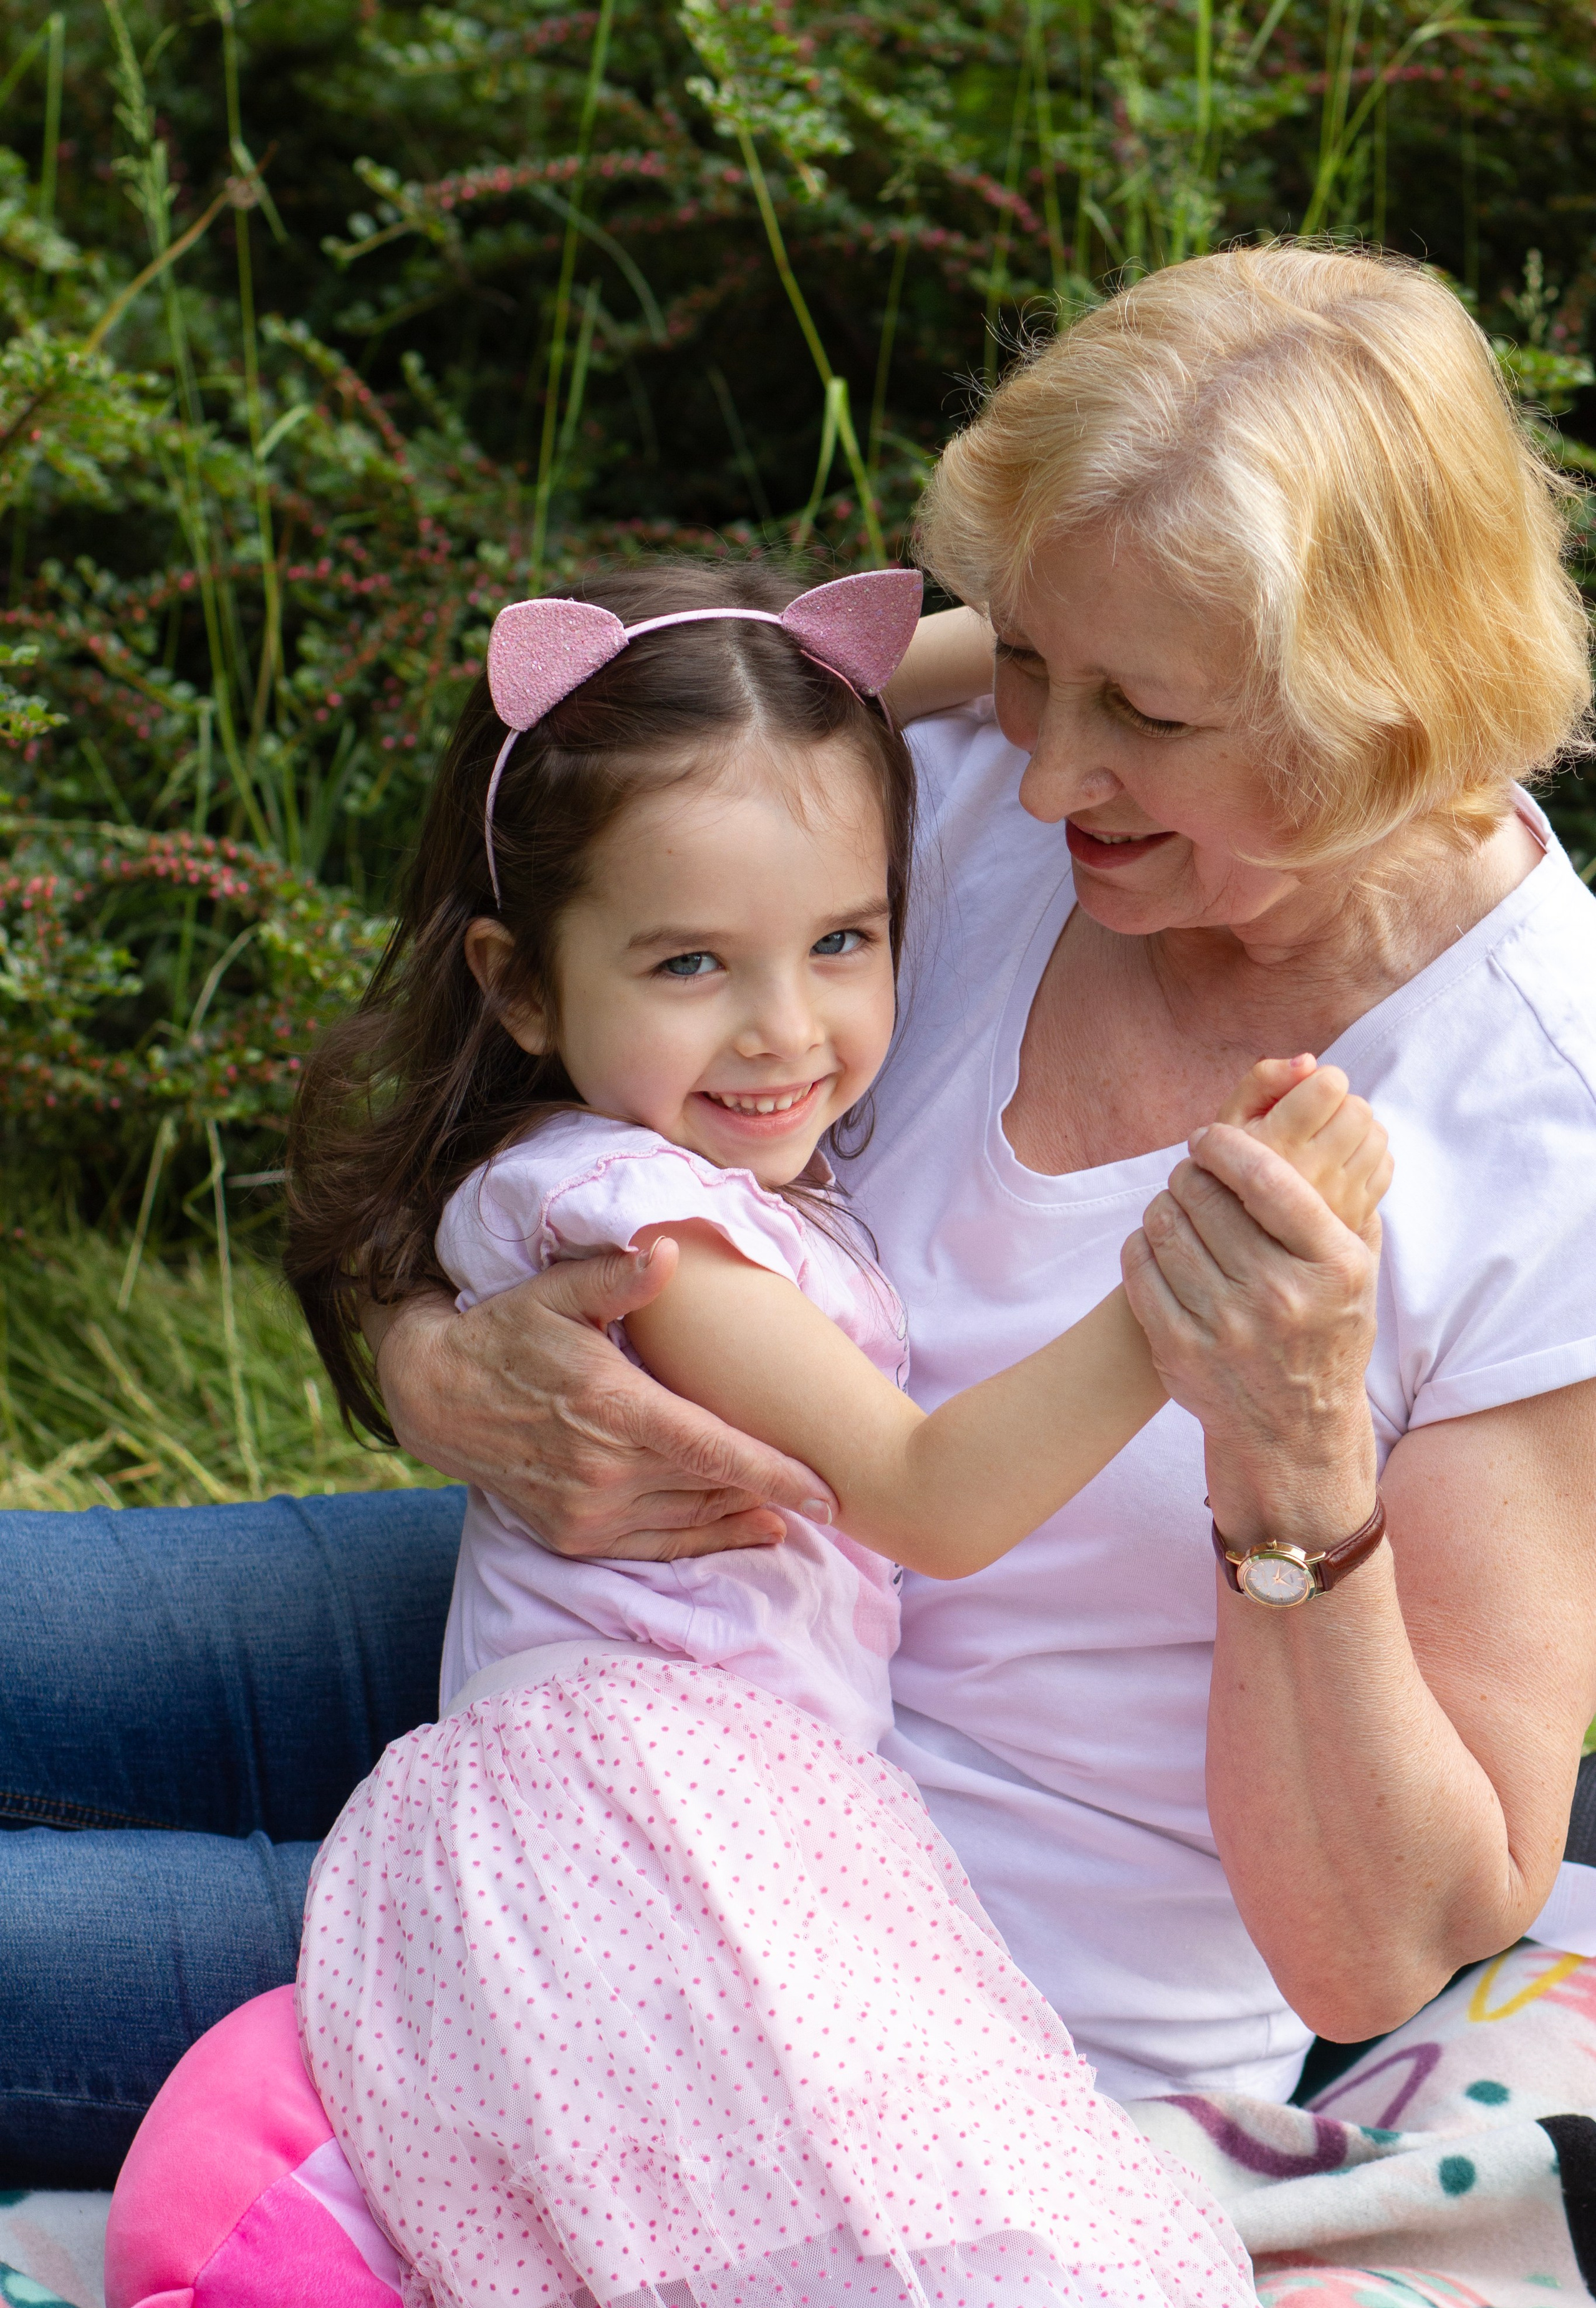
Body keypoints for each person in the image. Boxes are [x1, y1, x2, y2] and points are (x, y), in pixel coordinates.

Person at [1, 234, 1593, 2199]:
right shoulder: (963, 778)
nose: (1047, 771)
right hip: (572, 1645)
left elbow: (1396, 1942)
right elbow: (610, 769)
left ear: (1391, 707)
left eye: (1146, 715)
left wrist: (1286, 1466)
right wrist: (448, 1360)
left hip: (831, 1977)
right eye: (1021, 653)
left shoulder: (1545, 1124)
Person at [233, 556, 1368, 2308]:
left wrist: (858, 668)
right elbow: (924, 1492)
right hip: (644, 1823)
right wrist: (1185, 1287)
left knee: (896, 2211)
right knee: (896, 2217)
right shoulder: (645, 1223)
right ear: (520, 989)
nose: (783, 1029)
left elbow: (787, 701)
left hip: (736, 1813)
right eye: (692, 966)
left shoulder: (731, 1180)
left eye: (844, 943)